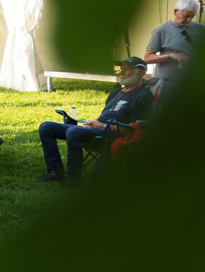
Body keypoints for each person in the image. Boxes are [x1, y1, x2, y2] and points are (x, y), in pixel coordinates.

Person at [37, 56, 153, 185]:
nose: (122, 72)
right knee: (46, 127)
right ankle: (55, 171)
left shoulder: (143, 96)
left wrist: (101, 125)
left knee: (73, 132)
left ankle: (72, 178)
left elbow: (132, 129)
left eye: (127, 69)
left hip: (111, 135)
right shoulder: (115, 92)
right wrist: (93, 122)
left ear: (141, 72)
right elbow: (106, 114)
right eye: (121, 69)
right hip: (97, 129)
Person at [143, 0, 205, 97]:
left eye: (192, 16)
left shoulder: (200, 29)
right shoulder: (161, 31)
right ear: (175, 11)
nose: (189, 20)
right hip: (169, 85)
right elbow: (147, 58)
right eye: (186, 16)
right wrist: (169, 56)